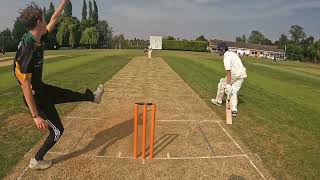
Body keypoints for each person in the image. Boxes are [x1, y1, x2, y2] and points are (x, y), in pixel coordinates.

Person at [13, 0, 104, 170]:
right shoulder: (28, 49)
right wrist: (35, 116)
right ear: (39, 22)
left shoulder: (36, 36)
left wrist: (63, 3)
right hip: (35, 97)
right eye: (42, 18)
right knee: (57, 131)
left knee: (66, 93)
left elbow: (54, 19)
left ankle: (93, 97)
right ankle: (37, 160)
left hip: (41, 89)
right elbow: (25, 85)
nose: (45, 20)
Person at [211, 44, 247, 117]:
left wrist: (227, 84)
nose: (218, 52)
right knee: (233, 91)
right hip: (242, 73)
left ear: (222, 50)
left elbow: (229, 71)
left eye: (218, 50)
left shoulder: (226, 57)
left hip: (234, 73)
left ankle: (219, 101)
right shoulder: (232, 53)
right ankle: (234, 110)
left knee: (222, 83)